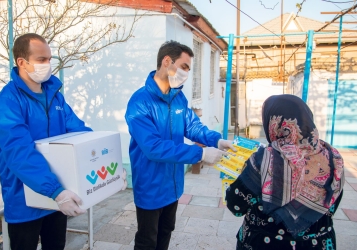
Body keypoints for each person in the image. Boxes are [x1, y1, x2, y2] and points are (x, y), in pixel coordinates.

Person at [125, 40, 235, 250]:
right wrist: (200, 155)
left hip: (172, 183)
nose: (186, 73)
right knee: (147, 240)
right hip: (150, 184)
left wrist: (217, 141)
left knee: (166, 232)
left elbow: (192, 127)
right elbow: (153, 147)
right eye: (184, 67)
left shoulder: (178, 97)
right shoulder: (140, 102)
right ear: (167, 61)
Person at [0, 33, 92, 250]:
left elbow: (79, 131)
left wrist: (105, 163)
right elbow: (19, 152)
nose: (47, 65)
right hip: (25, 199)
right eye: (41, 60)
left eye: (49, 59)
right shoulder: (8, 102)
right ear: (22, 62)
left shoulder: (55, 96)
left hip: (58, 195)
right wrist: (55, 191)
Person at [225, 94, 344, 250]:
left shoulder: (264, 159)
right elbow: (332, 204)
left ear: (273, 123)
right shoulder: (333, 156)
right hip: (319, 244)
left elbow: (236, 206)